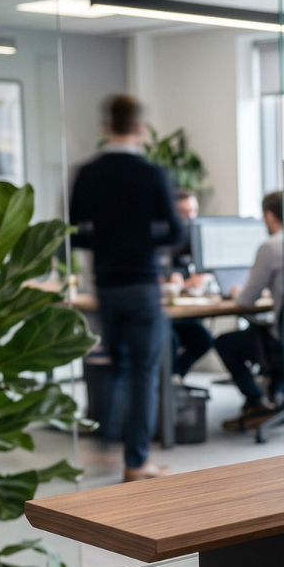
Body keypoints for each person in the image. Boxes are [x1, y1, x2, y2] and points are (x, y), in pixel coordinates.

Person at [70, 94, 183, 481]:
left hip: (107, 286)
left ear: (106, 127)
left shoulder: (87, 173)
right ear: (138, 128)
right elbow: (176, 229)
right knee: (144, 372)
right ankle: (136, 463)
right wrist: (140, 239)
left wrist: (107, 241)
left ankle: (103, 446)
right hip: (141, 285)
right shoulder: (152, 174)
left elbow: (75, 232)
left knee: (114, 365)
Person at [213, 190, 284, 429]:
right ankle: (276, 394)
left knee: (223, 343)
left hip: (280, 340)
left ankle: (256, 402)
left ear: (269, 216)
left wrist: (236, 293)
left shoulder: (270, 246)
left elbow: (245, 300)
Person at [166, 188, 215, 378]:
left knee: (203, 338)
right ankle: (166, 388)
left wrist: (204, 277)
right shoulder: (162, 237)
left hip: (187, 309)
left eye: (193, 211)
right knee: (172, 340)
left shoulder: (196, 237)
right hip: (165, 314)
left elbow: (207, 268)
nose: (190, 217)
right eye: (184, 212)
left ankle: (174, 378)